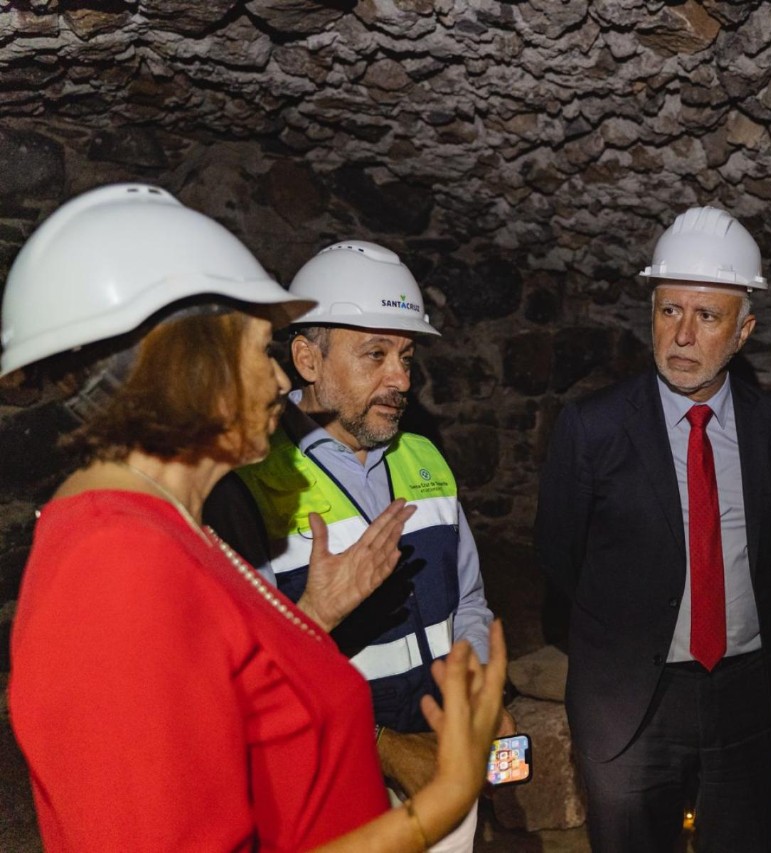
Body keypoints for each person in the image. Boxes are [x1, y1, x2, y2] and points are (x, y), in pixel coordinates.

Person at [3, 183, 507, 851]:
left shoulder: (165, 531)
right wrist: (436, 805)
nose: (280, 380)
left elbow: (236, 706)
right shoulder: (114, 566)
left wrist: (313, 616)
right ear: (185, 364)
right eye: (259, 347)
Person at [205, 240, 512, 853]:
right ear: (307, 359)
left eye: (406, 356)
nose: (401, 379)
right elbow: (244, 677)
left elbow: (468, 601)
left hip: (443, 760)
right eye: (375, 354)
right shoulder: (250, 486)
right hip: (332, 781)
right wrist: (384, 747)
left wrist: (475, 690)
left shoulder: (425, 460)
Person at [535, 206, 771, 852]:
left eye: (707, 316)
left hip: (748, 692)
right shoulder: (592, 428)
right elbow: (559, 556)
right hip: (631, 699)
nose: (682, 335)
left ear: (743, 331)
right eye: (668, 311)